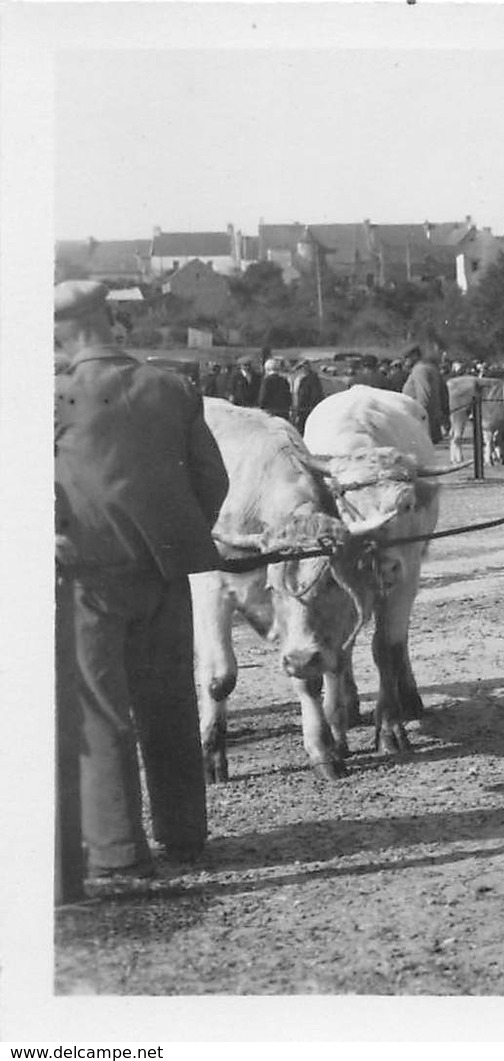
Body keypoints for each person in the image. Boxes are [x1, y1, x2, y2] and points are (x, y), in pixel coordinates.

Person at [53, 281, 229, 890]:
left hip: (86, 580)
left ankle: (119, 850)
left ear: (62, 332)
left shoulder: (56, 396)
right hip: (163, 575)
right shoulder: (170, 386)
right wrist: (176, 542)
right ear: (108, 321)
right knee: (169, 706)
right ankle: (183, 834)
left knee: (101, 712)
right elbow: (213, 480)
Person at [402, 346, 452, 443]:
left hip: (420, 420)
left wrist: (422, 418)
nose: (405, 361)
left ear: (415, 356)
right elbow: (444, 393)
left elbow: (424, 395)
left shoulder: (419, 370)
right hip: (432, 418)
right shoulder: (431, 368)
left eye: (407, 357)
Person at [289, 358, 325, 433]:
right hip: (300, 409)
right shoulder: (299, 379)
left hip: (307, 409)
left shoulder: (311, 379)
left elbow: (314, 395)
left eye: (303, 367)